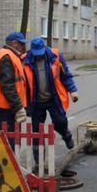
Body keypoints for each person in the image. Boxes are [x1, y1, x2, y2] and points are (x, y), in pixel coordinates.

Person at [21, 37, 78, 166]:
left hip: (53, 99)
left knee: (60, 121)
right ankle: (39, 162)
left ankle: (66, 135)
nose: (38, 56)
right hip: (36, 102)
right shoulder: (25, 60)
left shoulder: (55, 56)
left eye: (40, 53)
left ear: (45, 48)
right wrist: (22, 105)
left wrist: (72, 90)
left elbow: (66, 75)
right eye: (36, 54)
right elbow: (21, 83)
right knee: (37, 132)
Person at [0, 31, 29, 140]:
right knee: (10, 137)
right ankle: (9, 156)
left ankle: (10, 155)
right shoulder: (6, 57)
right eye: (21, 44)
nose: (23, 46)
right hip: (7, 106)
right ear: (14, 43)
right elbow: (8, 86)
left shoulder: (5, 55)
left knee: (10, 136)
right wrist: (18, 107)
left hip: (6, 105)